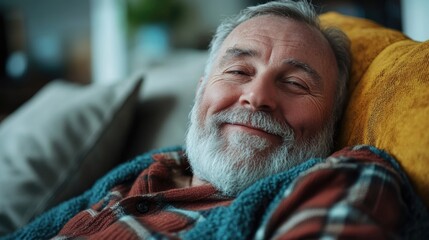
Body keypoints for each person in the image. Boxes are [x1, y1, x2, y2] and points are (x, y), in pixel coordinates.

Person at [2, 0, 428, 239]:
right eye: (239, 71)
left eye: (296, 83)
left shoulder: (345, 177)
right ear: (202, 88)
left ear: (333, 121)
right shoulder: (147, 171)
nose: (257, 96)